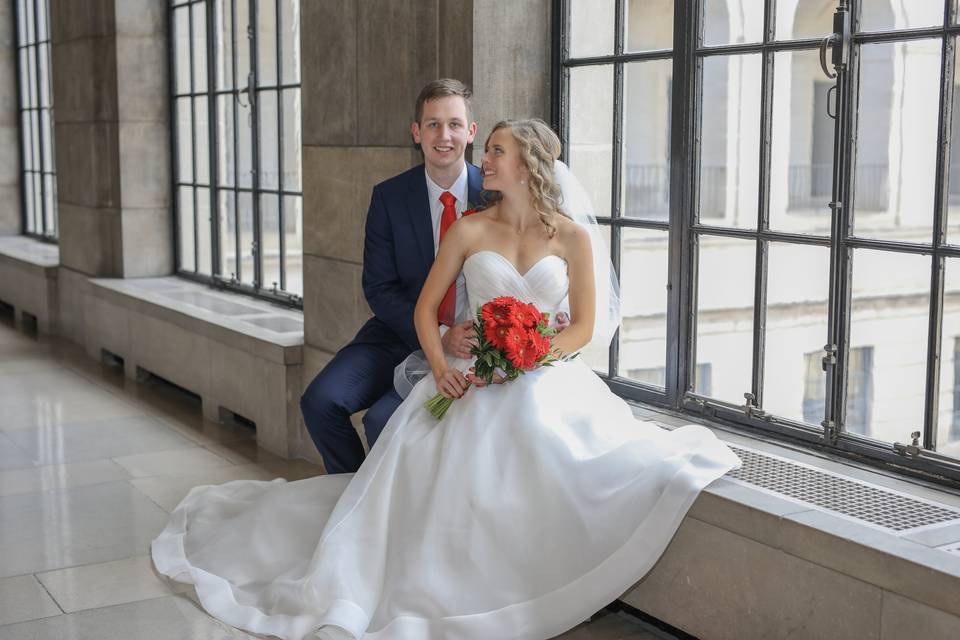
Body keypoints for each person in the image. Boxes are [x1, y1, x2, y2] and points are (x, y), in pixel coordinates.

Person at [152, 119, 741, 640]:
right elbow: (423, 310)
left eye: (496, 150)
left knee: (564, 445)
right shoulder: (469, 231)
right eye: (486, 149)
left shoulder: (573, 237)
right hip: (467, 376)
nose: (484, 159)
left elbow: (584, 327)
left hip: (542, 374)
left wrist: (531, 354)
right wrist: (441, 368)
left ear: (528, 164)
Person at [300, 79, 483, 474]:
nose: (443, 135)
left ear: (471, 131)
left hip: (472, 344)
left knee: (381, 419)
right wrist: (435, 330)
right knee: (320, 402)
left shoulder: (495, 196)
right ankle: (351, 499)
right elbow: (379, 288)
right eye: (432, 124)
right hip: (398, 333)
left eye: (454, 124)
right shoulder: (389, 197)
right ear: (416, 133)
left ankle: (388, 510)